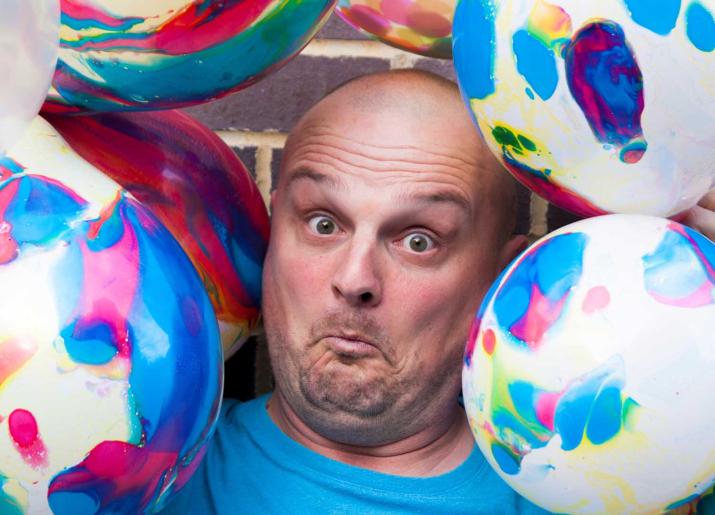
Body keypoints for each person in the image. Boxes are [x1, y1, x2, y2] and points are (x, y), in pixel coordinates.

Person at [161, 70, 715, 514]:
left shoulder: (619, 492)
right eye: (323, 224)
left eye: (419, 240)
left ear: (500, 280)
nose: (354, 280)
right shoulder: (136, 469)